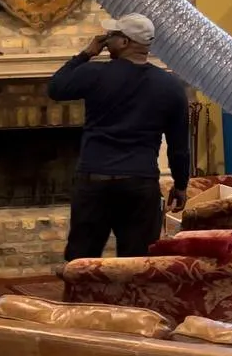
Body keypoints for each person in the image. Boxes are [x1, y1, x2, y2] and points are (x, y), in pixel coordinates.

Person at [47, 13, 190, 261]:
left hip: (94, 181)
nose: (105, 39)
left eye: (111, 35)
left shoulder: (94, 73)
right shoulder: (171, 86)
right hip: (139, 183)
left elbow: (56, 88)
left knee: (82, 261)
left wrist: (86, 53)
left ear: (124, 42)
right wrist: (180, 186)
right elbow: (179, 146)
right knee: (136, 263)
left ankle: (83, 288)